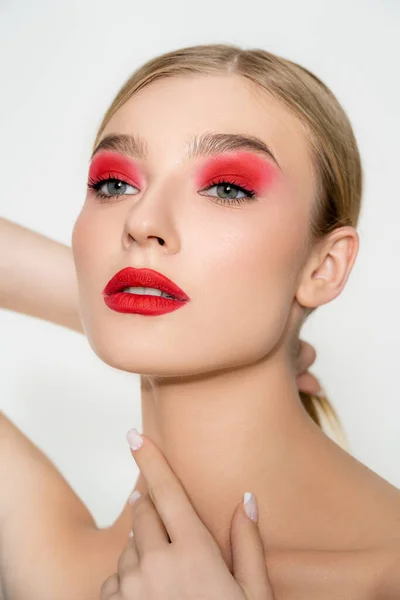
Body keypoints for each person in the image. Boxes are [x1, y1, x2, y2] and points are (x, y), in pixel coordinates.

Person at [1, 42, 400, 599]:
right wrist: (107, 296)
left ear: (325, 265)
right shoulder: (59, 560)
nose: (142, 221)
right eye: (115, 184)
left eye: (227, 188)